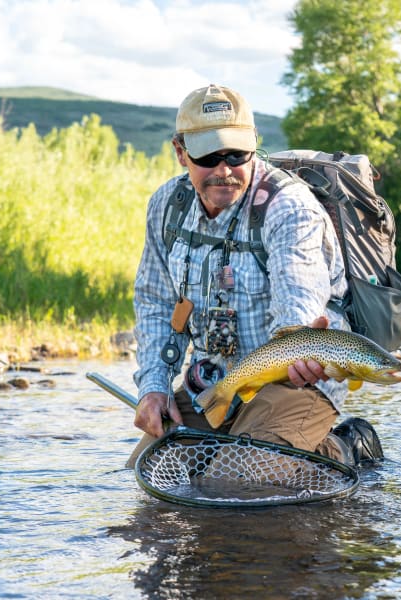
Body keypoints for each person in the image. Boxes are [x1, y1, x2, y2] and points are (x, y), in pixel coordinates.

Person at [127, 84, 383, 469]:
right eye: (209, 156)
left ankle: (345, 448)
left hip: (296, 382)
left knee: (239, 482)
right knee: (147, 475)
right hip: (216, 381)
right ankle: (246, 433)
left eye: (236, 154)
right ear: (180, 152)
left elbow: (299, 297)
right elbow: (156, 304)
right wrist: (153, 388)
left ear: (254, 144)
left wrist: (299, 342)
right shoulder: (167, 206)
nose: (224, 170)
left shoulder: (289, 207)